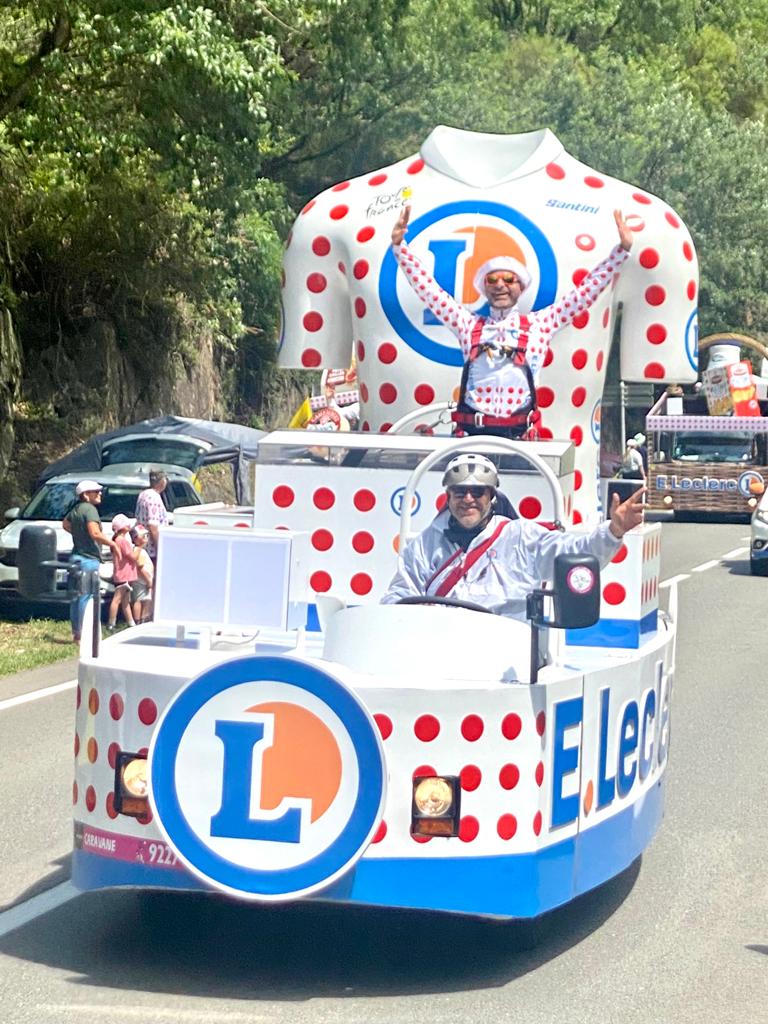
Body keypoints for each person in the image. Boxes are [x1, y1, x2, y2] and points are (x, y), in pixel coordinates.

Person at [391, 205, 633, 438]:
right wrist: (400, 247)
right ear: (483, 289)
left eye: (509, 279)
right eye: (492, 280)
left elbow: (585, 293)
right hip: (471, 435)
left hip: (520, 437)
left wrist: (621, 251)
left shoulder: (542, 324)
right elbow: (430, 291)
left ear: (521, 286)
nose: (500, 285)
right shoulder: (467, 324)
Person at [381, 453, 643, 620]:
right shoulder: (424, 545)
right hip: (435, 650)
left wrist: (613, 531)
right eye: (460, 492)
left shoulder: (521, 537)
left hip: (507, 655)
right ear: (448, 497)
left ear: (492, 497)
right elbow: (397, 595)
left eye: (477, 492)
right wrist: (414, 614)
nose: (468, 499)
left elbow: (578, 550)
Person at [62, 480, 120, 643]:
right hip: (89, 559)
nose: (100, 494)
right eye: (96, 491)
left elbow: (66, 524)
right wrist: (112, 543)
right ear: (86, 495)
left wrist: (79, 535)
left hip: (75, 557)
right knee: (86, 597)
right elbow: (95, 533)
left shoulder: (76, 509)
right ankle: (85, 633)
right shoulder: (90, 509)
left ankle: (76, 633)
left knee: (75, 597)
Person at [106, 514, 138, 631]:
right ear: (123, 527)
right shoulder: (122, 541)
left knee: (125, 601)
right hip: (124, 575)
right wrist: (139, 547)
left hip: (122, 575)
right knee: (117, 599)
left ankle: (131, 623)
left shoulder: (116, 541)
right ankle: (111, 623)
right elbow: (132, 557)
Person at [134, 468, 169, 563]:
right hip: (152, 550)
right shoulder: (154, 497)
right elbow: (153, 526)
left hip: (143, 547)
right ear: (162, 481)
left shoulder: (143, 494)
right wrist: (160, 548)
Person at [130, 524, 154, 623]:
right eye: (143, 536)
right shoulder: (138, 550)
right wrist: (148, 580)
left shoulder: (141, 550)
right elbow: (140, 567)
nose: (146, 538)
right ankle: (139, 619)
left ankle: (144, 618)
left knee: (145, 599)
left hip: (143, 580)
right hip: (142, 580)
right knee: (139, 600)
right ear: (135, 539)